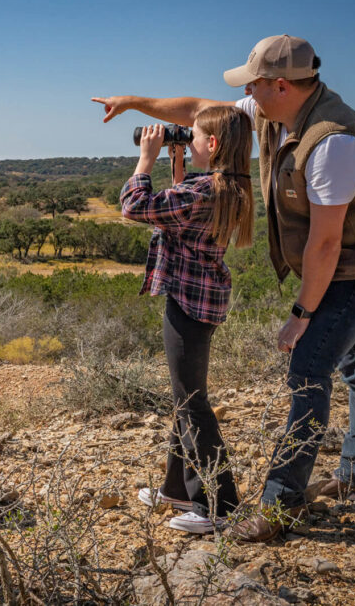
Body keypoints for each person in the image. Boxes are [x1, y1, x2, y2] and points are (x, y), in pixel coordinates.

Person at [93, 34, 355, 542]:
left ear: (280, 85)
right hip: (335, 260)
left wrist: (301, 312)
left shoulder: (334, 143)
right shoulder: (271, 111)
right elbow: (200, 109)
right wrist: (132, 101)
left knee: (309, 370)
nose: (245, 97)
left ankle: (278, 506)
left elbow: (326, 246)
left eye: (253, 85)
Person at [120, 106, 254, 534]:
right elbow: (185, 215)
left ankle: (220, 504)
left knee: (192, 403)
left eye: (191, 137)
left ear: (212, 145)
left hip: (189, 304)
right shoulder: (225, 187)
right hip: (201, 299)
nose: (186, 140)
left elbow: (135, 206)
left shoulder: (202, 194)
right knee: (185, 398)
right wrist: (177, 163)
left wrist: (146, 157)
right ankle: (177, 488)